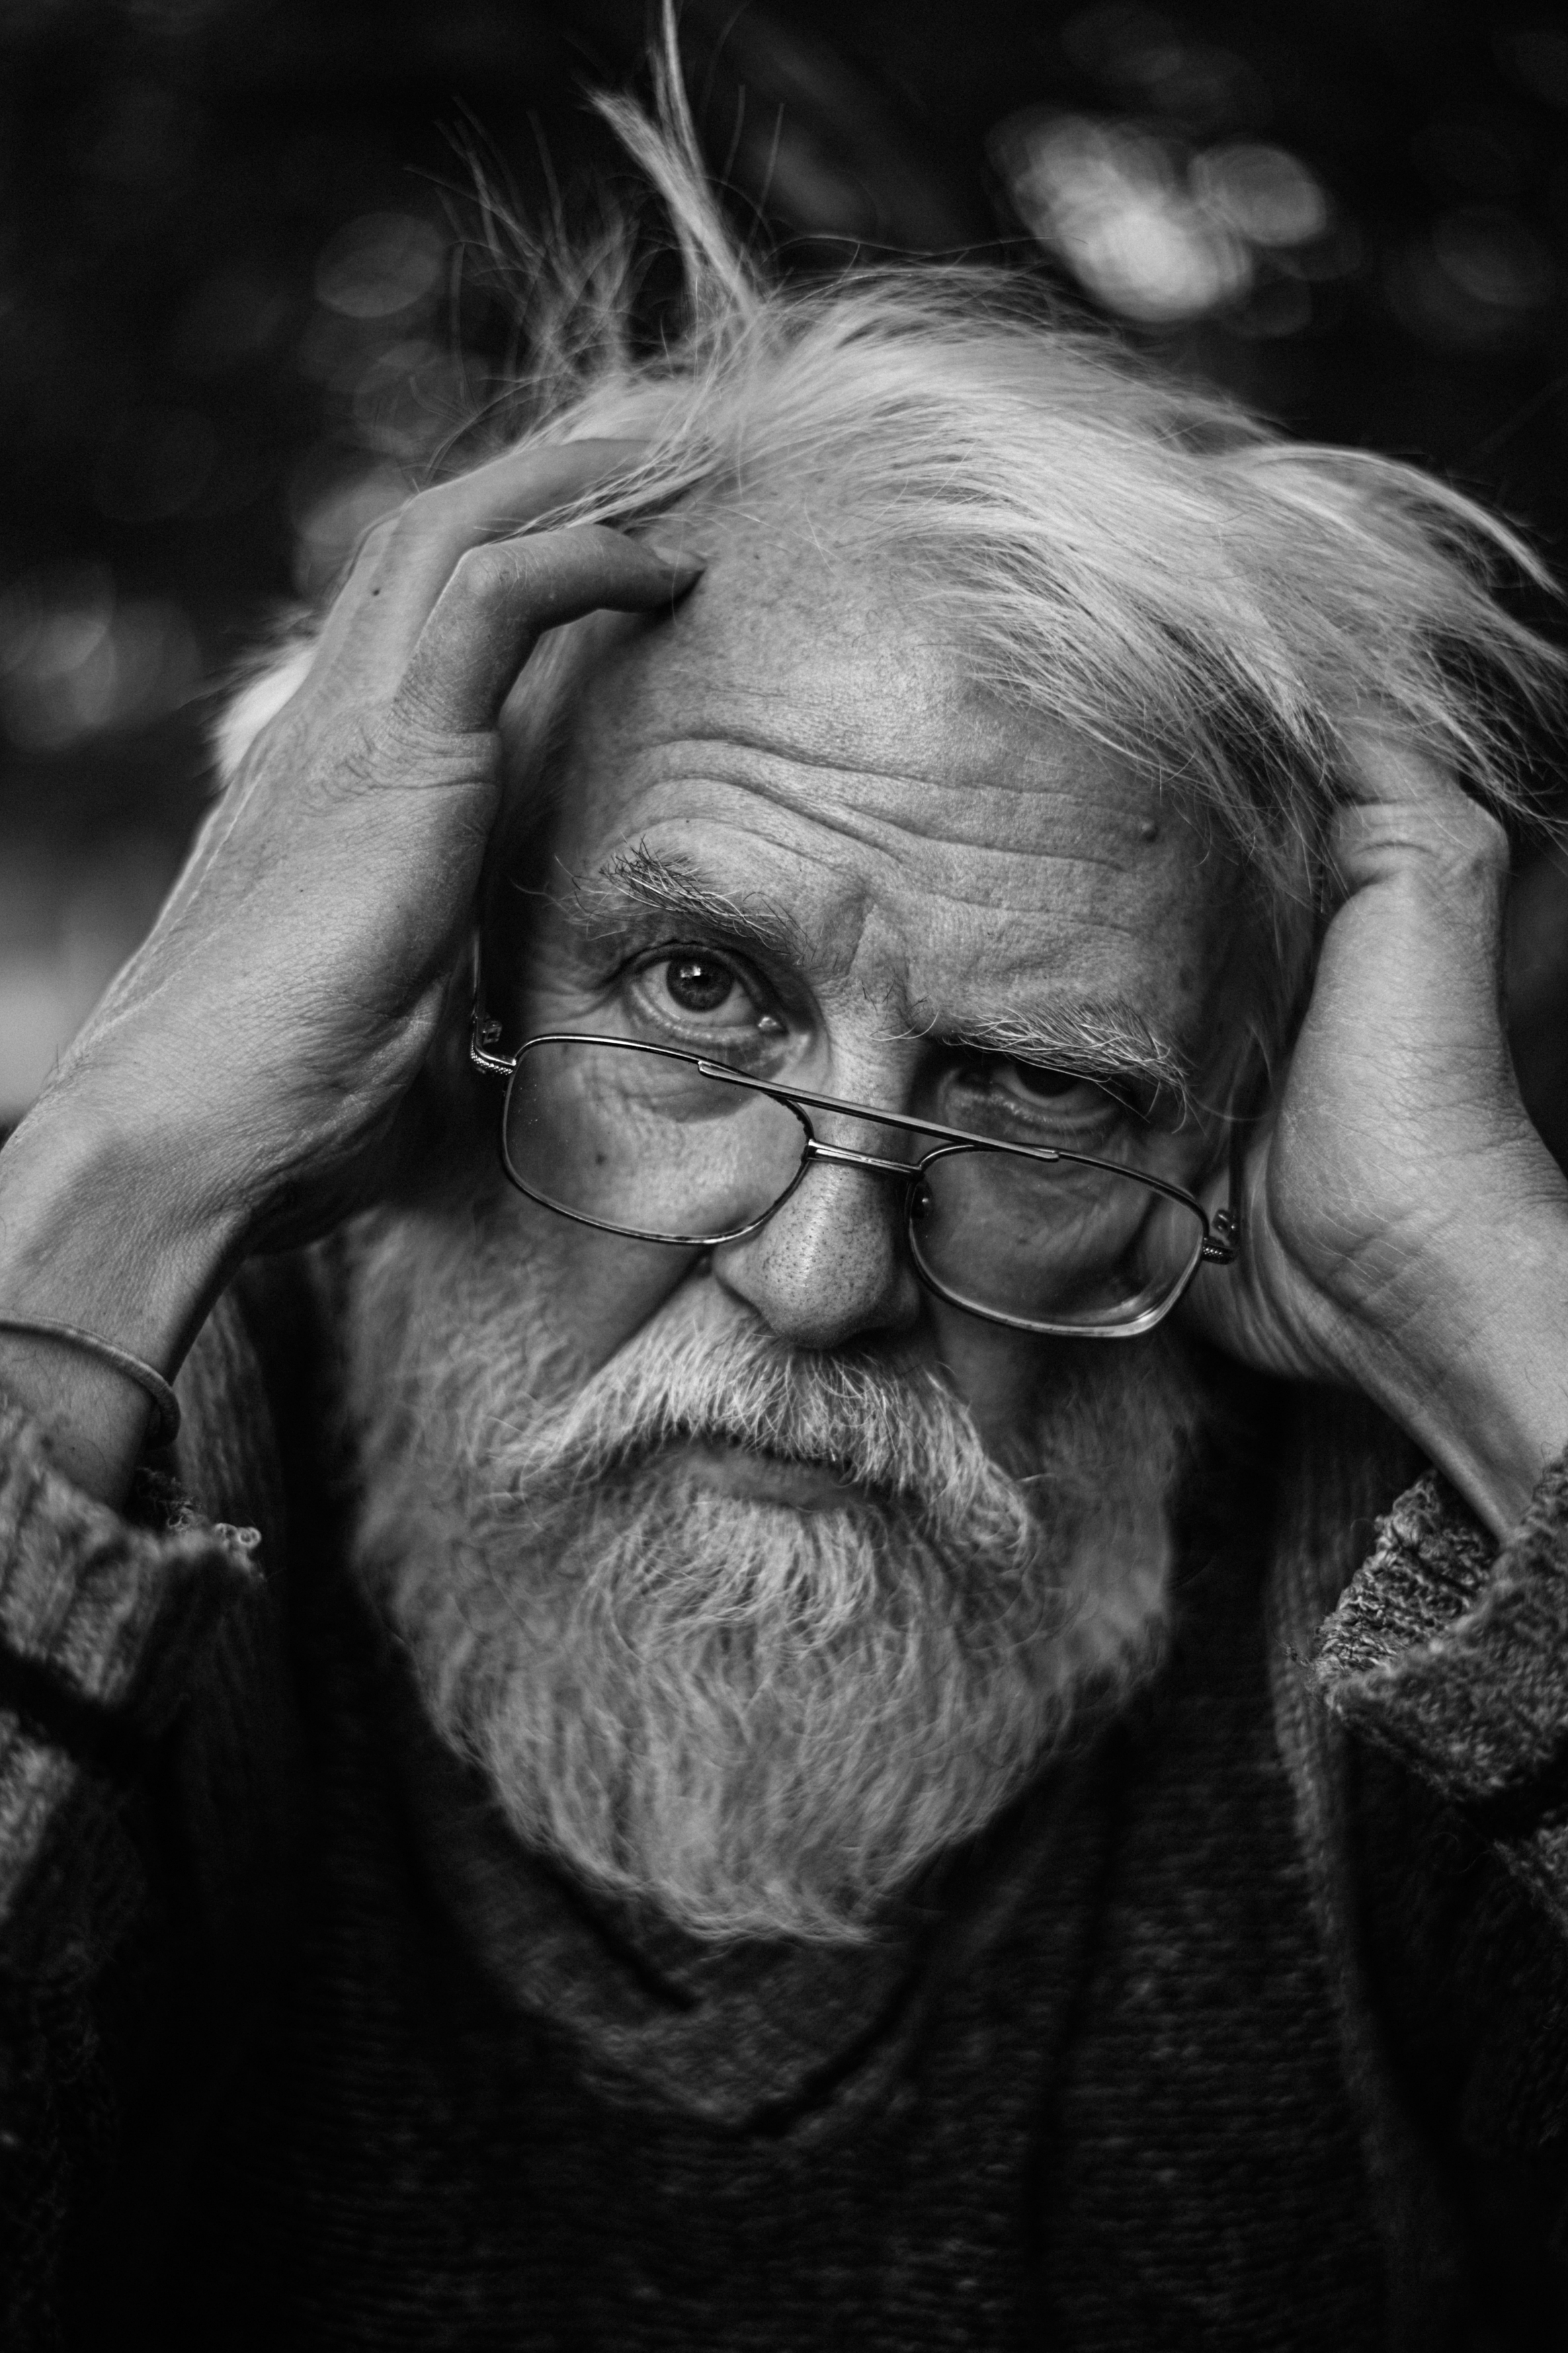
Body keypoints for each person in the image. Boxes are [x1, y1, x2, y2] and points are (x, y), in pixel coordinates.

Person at [2, 69, 1567, 2353]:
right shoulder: (146, 1436)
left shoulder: (1382, 1599)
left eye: (1036, 1082)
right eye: (701, 985)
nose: (825, 1277)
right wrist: (121, 1169)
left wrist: (1486, 1298)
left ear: (1222, 1136)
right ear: (443, 984)